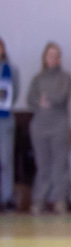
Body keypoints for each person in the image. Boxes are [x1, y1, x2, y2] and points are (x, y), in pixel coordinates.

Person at [27, 42, 71, 215]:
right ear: (44, 58)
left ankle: (61, 200)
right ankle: (40, 200)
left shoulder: (65, 77)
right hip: (39, 127)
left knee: (60, 165)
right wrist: (40, 100)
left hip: (59, 126)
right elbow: (31, 99)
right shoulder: (37, 79)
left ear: (59, 58)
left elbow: (62, 97)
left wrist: (46, 97)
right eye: (49, 55)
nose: (52, 58)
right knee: (42, 166)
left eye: (55, 55)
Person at [0, 36, 19, 212]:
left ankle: (7, 198)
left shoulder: (11, 70)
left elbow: (15, 93)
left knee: (5, 160)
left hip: (5, 120)